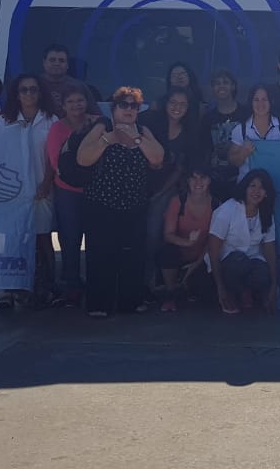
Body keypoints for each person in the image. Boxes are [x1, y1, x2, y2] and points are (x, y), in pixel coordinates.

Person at [76, 87, 165, 317]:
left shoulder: (143, 130)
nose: (128, 109)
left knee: (133, 255)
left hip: (134, 205)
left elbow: (157, 157)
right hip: (101, 204)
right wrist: (108, 139)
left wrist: (136, 139)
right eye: (123, 105)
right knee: (100, 254)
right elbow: (83, 158)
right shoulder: (103, 126)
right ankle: (99, 304)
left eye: (133, 106)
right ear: (114, 108)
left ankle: (130, 302)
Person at [0, 73, 59, 310]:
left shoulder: (51, 120)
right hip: (13, 192)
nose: (29, 94)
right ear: (16, 94)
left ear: (40, 93)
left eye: (33, 89)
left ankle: (46, 287)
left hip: (42, 189)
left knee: (42, 239)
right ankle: (7, 290)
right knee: (12, 240)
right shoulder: (4, 121)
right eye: (24, 90)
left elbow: (53, 157)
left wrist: (46, 183)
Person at [143, 87, 208, 292]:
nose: (177, 107)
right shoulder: (151, 123)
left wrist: (160, 193)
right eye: (173, 102)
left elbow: (180, 169)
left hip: (166, 189)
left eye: (182, 104)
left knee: (154, 233)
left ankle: (150, 280)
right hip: (139, 185)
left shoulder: (189, 134)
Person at [44, 84, 97, 308]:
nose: (76, 105)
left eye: (80, 100)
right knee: (70, 239)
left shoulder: (98, 123)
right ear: (63, 105)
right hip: (67, 191)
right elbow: (56, 162)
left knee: (96, 240)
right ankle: (71, 285)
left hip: (96, 191)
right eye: (71, 101)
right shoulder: (57, 128)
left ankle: (96, 284)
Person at [208, 169, 279, 315]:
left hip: (252, 260)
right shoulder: (228, 209)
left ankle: (247, 292)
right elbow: (213, 250)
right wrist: (220, 288)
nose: (256, 191)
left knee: (263, 273)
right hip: (227, 263)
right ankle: (230, 293)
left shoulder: (266, 212)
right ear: (245, 188)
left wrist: (273, 285)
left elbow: (269, 248)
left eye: (261, 187)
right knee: (239, 261)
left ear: (266, 193)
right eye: (252, 186)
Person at [157, 166, 217, 312]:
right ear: (187, 181)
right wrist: (187, 242)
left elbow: (215, 242)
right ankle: (170, 293)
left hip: (203, 258)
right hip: (179, 254)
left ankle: (187, 283)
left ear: (209, 180)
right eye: (193, 178)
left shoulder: (217, 205)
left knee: (205, 293)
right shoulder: (178, 201)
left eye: (202, 178)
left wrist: (195, 265)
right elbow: (168, 235)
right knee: (167, 251)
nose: (198, 182)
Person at [200, 68, 248, 201]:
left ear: (233, 86)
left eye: (225, 82)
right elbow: (205, 150)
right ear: (213, 88)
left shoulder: (246, 114)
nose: (221, 86)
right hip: (216, 180)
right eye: (217, 83)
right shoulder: (208, 118)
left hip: (242, 178)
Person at [228, 84, 280, 181]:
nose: (260, 104)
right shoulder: (240, 129)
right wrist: (243, 154)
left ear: (271, 101)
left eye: (264, 99)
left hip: (277, 183)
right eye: (256, 100)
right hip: (247, 185)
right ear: (251, 102)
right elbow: (233, 161)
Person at [39, 43, 92, 117]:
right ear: (44, 63)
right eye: (52, 60)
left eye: (61, 60)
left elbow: (98, 116)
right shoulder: (35, 84)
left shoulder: (80, 86)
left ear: (67, 65)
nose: (57, 63)